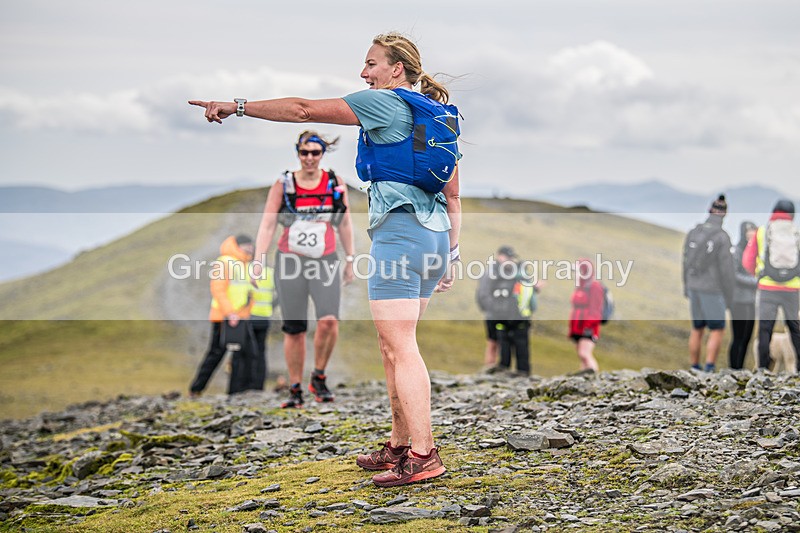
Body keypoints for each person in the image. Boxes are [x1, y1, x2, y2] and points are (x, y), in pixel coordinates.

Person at [189, 31, 461, 487]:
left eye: (371, 63)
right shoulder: (432, 115)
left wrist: (237, 106)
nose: (363, 72)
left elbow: (303, 111)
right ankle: (399, 446)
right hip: (432, 239)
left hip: (400, 236)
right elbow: (452, 192)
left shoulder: (386, 102)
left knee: (402, 348)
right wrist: (452, 252)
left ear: (396, 69)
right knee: (392, 346)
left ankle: (424, 454)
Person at [251, 130, 355, 408]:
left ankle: (318, 376)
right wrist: (259, 259)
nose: (309, 158)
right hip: (290, 261)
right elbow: (268, 223)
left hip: (326, 259)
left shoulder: (334, 182)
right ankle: (295, 387)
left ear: (323, 154)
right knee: (294, 329)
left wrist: (350, 259)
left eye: (315, 153)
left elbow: (344, 222)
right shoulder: (284, 183)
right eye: (304, 152)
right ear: (298, 153)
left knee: (329, 321)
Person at [189, 234, 260, 395]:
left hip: (241, 318)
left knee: (247, 353)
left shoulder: (245, 265)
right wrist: (230, 313)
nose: (250, 248)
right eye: (246, 245)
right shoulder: (225, 262)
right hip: (224, 317)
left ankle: (238, 391)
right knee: (216, 353)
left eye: (251, 245)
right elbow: (218, 289)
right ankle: (196, 388)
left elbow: (247, 292)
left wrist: (245, 312)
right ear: (237, 245)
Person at [742, 198, 800, 372]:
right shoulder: (796, 232)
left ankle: (762, 368)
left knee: (765, 329)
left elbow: (748, 260)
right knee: (795, 328)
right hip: (792, 289)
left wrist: (758, 275)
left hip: (768, 288)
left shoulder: (762, 232)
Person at [681, 194, 736, 372]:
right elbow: (727, 270)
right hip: (712, 289)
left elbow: (685, 260)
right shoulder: (722, 237)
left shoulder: (694, 232)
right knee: (717, 328)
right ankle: (709, 367)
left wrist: (686, 285)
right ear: (724, 214)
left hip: (693, 285)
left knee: (697, 328)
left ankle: (694, 366)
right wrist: (729, 295)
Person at [476, 246, 516, 368]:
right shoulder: (491, 272)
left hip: (504, 314)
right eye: (508, 257)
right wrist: (492, 309)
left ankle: (499, 369)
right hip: (493, 314)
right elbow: (483, 293)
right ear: (500, 256)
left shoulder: (508, 272)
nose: (510, 260)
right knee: (492, 342)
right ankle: (489, 368)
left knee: (503, 342)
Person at [728, 220, 758, 370]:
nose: (751, 233)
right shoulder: (737, 251)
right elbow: (735, 275)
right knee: (738, 337)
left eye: (753, 230)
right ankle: (734, 368)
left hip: (751, 301)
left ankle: (741, 368)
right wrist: (755, 282)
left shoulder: (755, 252)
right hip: (738, 300)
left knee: (747, 337)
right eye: (748, 230)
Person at [569, 258, 603, 374]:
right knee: (581, 354)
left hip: (588, 327)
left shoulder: (594, 286)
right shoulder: (581, 286)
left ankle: (594, 375)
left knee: (585, 353)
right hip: (578, 326)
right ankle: (584, 377)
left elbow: (596, 310)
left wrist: (588, 327)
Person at [249, 265, 276, 390]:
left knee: (246, 352)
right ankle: (258, 386)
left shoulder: (247, 270)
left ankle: (246, 385)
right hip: (264, 316)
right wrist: (271, 306)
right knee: (260, 351)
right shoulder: (270, 272)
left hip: (248, 317)